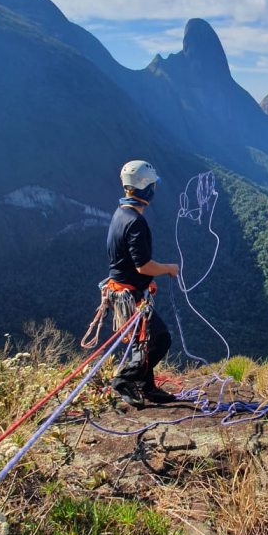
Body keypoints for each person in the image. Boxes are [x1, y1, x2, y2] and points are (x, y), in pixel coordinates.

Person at [106, 159, 179, 408]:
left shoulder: (120, 214)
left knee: (143, 339)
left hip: (123, 291)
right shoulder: (136, 222)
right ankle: (124, 380)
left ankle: (147, 386)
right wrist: (168, 269)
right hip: (131, 295)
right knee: (160, 338)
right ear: (147, 188)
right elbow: (143, 266)